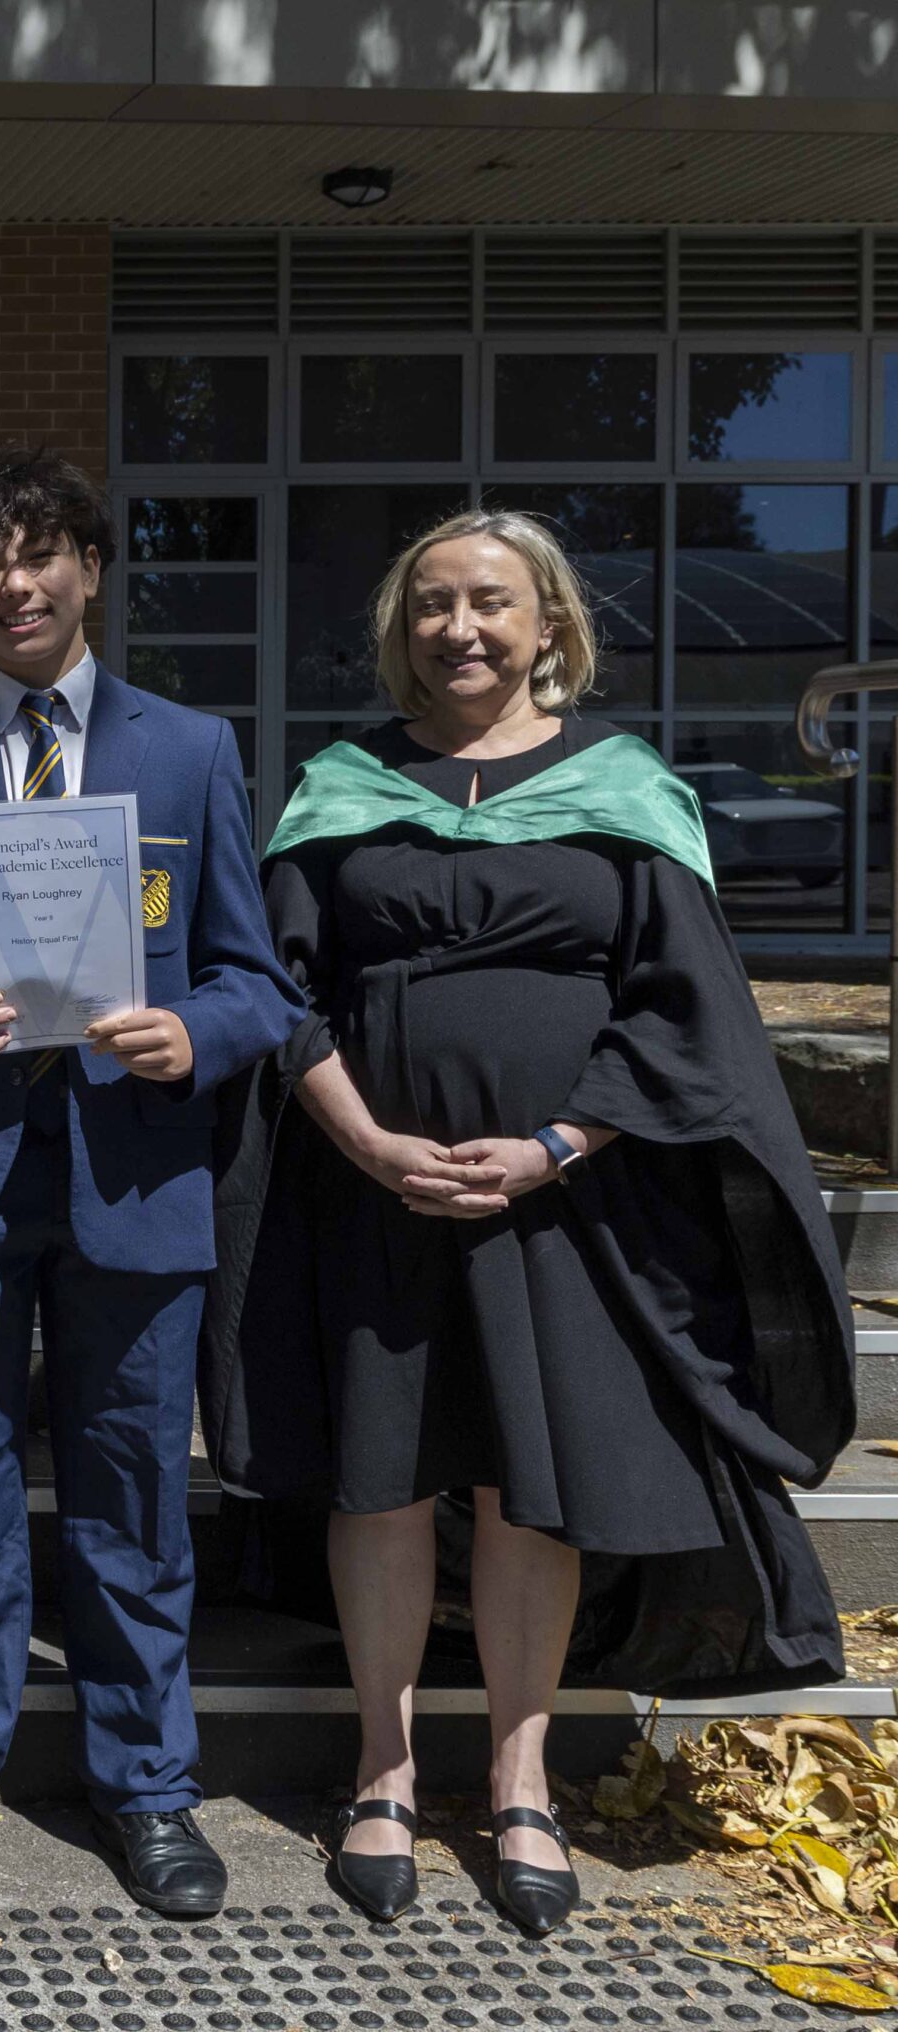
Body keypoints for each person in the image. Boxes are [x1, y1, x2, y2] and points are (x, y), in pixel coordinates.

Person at [199, 509, 856, 1937]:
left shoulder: (625, 790)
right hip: (372, 1192)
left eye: (491, 601)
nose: (460, 628)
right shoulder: (343, 785)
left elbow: (680, 1008)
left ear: (550, 623)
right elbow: (273, 988)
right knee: (379, 1478)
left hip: (564, 1203)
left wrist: (558, 1143)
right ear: (403, 630)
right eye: (432, 604)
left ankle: (519, 1775)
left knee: (523, 1480)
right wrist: (370, 1141)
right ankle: (381, 1766)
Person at [0, 446, 301, 1920]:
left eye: (38, 557)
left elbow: (255, 979)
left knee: (134, 1497)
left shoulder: (190, 751)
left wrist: (195, 1034)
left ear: (92, 569)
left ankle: (147, 1784)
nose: (11, 587)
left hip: (134, 1174)